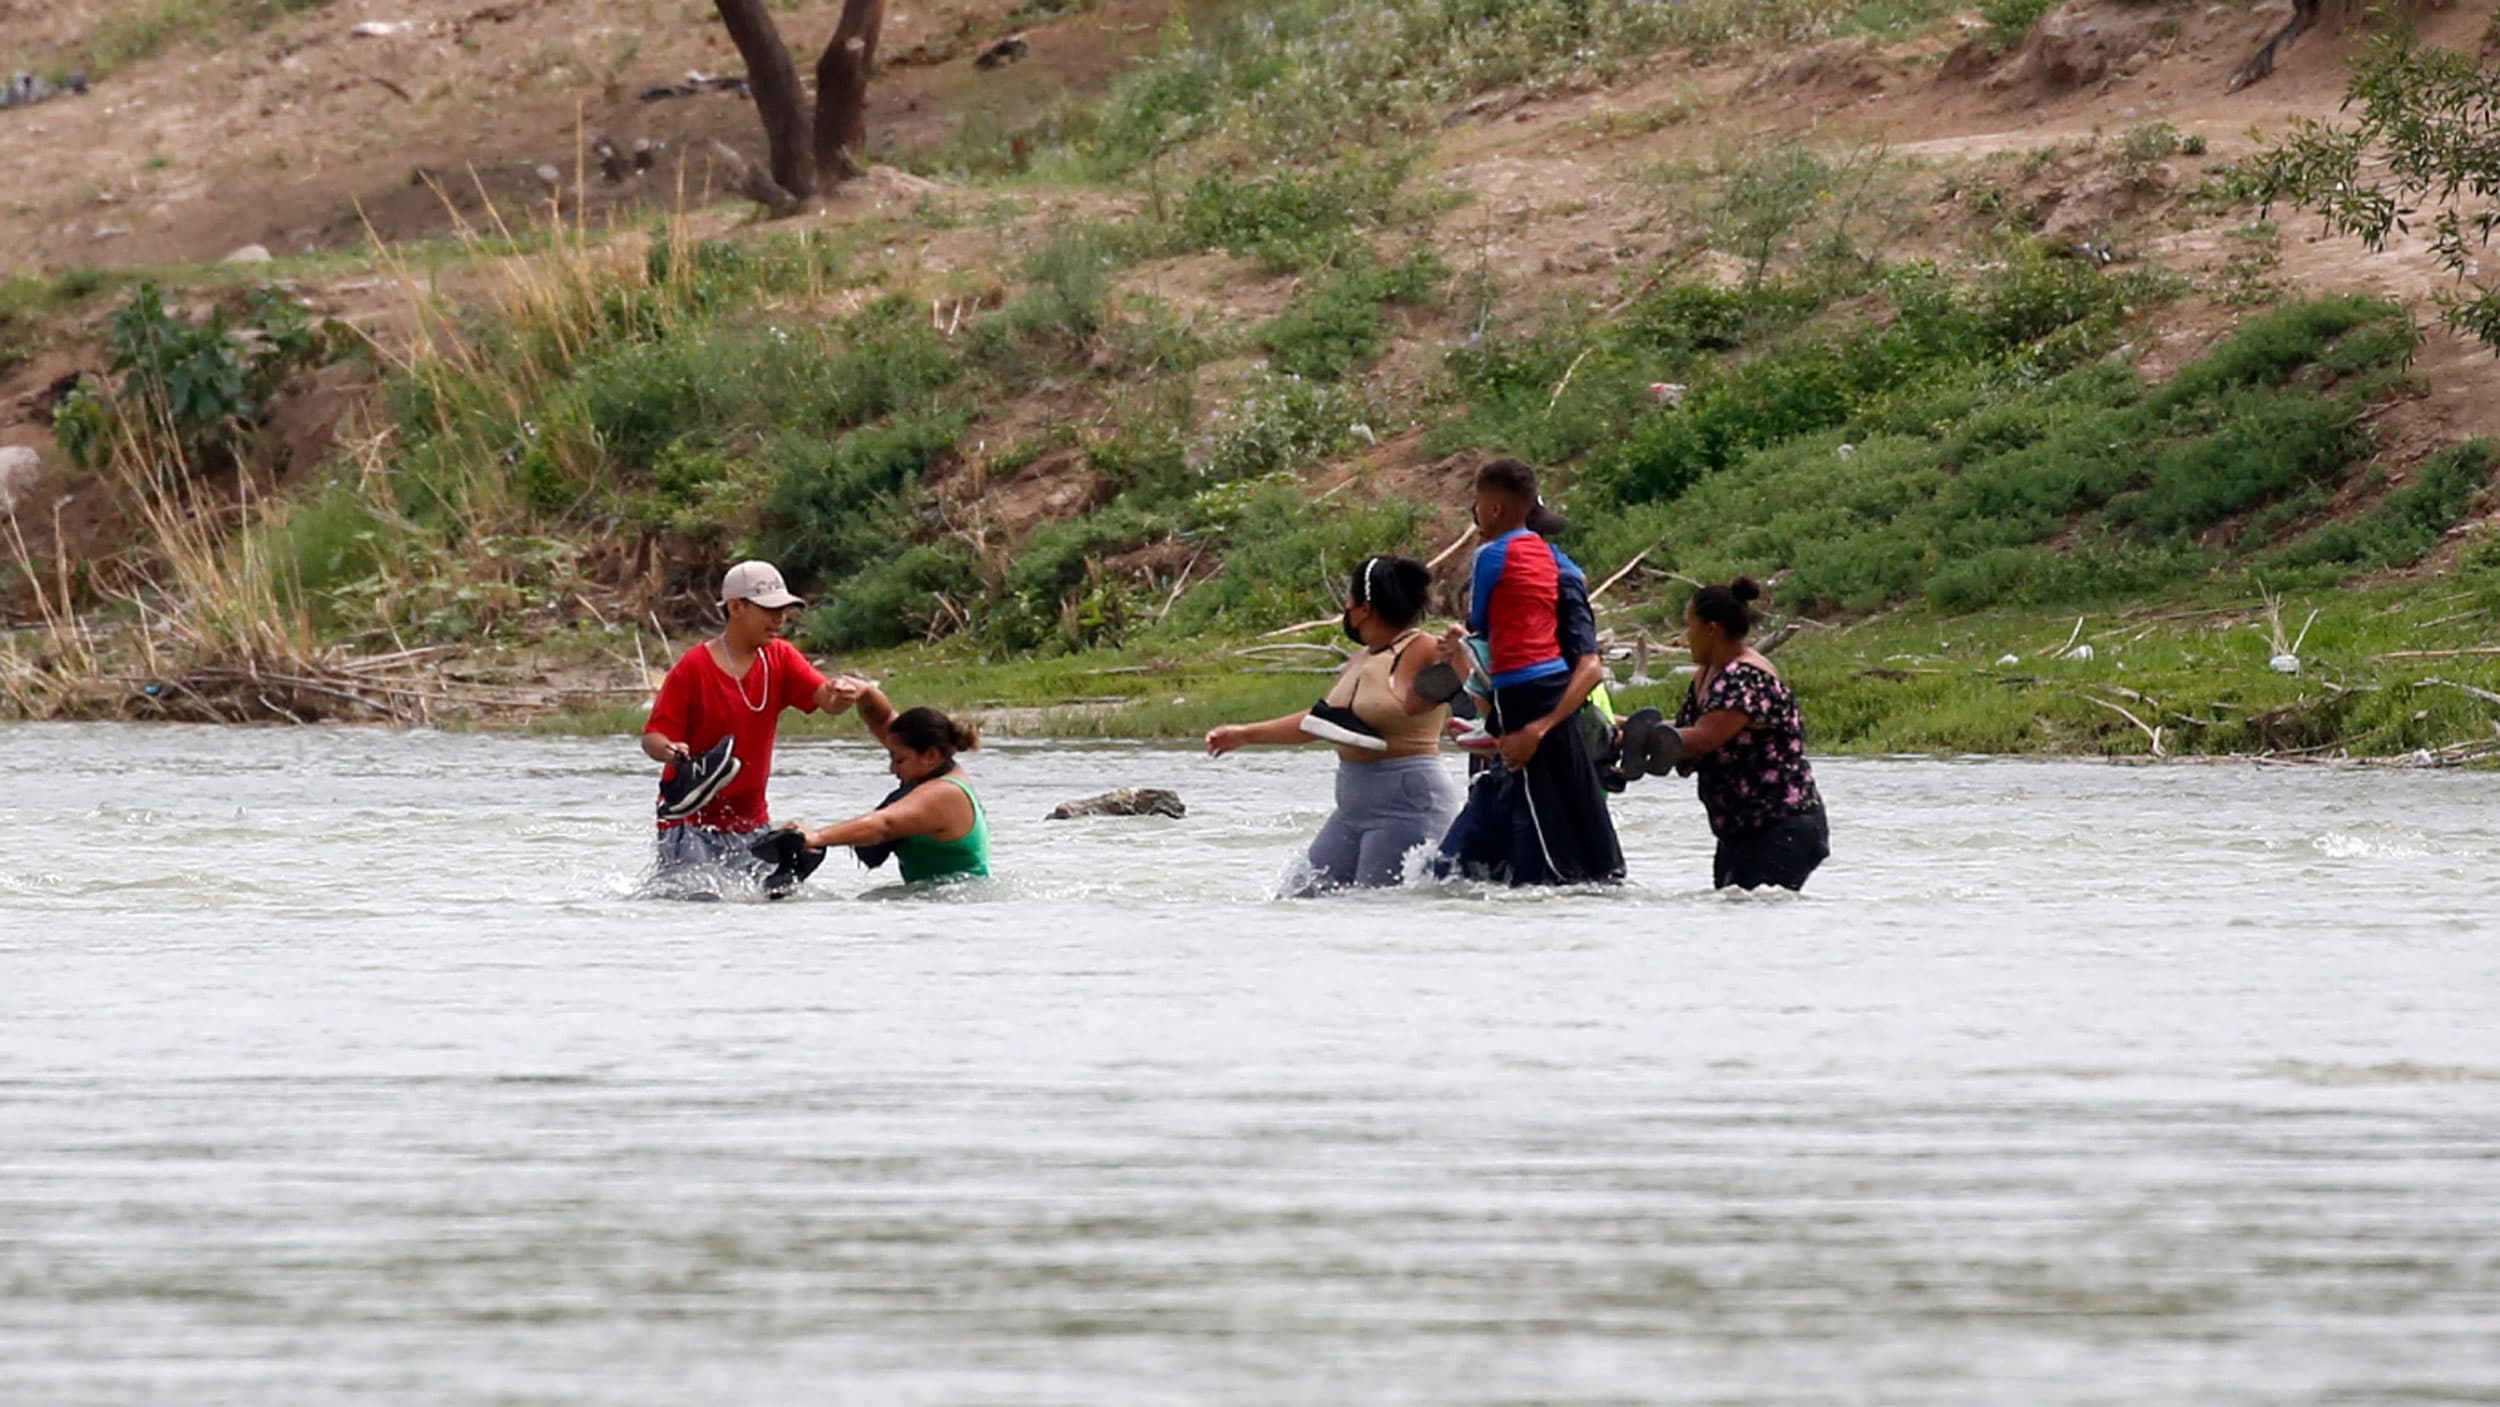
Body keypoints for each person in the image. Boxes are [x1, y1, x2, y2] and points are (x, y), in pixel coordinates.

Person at [1206, 555, 1459, 894]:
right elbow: (1321, 721)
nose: (1346, 608)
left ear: (1364, 608)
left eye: (1349, 600)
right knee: (1298, 898)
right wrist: (1246, 734)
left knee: (1375, 909)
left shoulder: (1422, 647)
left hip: (1403, 803)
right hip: (1353, 808)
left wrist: (1458, 656)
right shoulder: (1365, 656)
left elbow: (1461, 679)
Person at [1429, 459, 1625, 886]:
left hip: (1535, 722)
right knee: (1459, 869)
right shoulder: (1545, 569)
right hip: (1511, 735)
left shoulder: (1557, 575)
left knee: (1544, 858)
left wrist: (1536, 730)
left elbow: (1589, 667)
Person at [640, 560, 861, 882]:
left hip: (751, 823)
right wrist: (673, 750)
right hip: (687, 823)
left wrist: (841, 694)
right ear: (736, 607)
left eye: (784, 609)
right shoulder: (694, 667)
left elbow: (826, 701)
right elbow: (653, 737)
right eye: (770, 609)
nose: (779, 619)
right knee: (693, 904)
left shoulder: (781, 658)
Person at [1671, 576, 1829, 892]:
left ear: (1711, 629)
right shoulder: (1707, 675)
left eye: (1690, 626)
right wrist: (1621, 729)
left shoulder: (1746, 677)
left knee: (1757, 923)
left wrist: (1638, 736)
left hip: (1781, 827)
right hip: (1741, 831)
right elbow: (1680, 737)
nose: (1685, 637)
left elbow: (1703, 739)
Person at [786, 686, 991, 885]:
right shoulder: (939, 767)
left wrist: (816, 837)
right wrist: (864, 692)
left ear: (931, 755)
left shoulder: (945, 793)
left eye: (899, 760)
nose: (893, 769)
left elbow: (883, 826)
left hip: (955, 905)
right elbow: (882, 719)